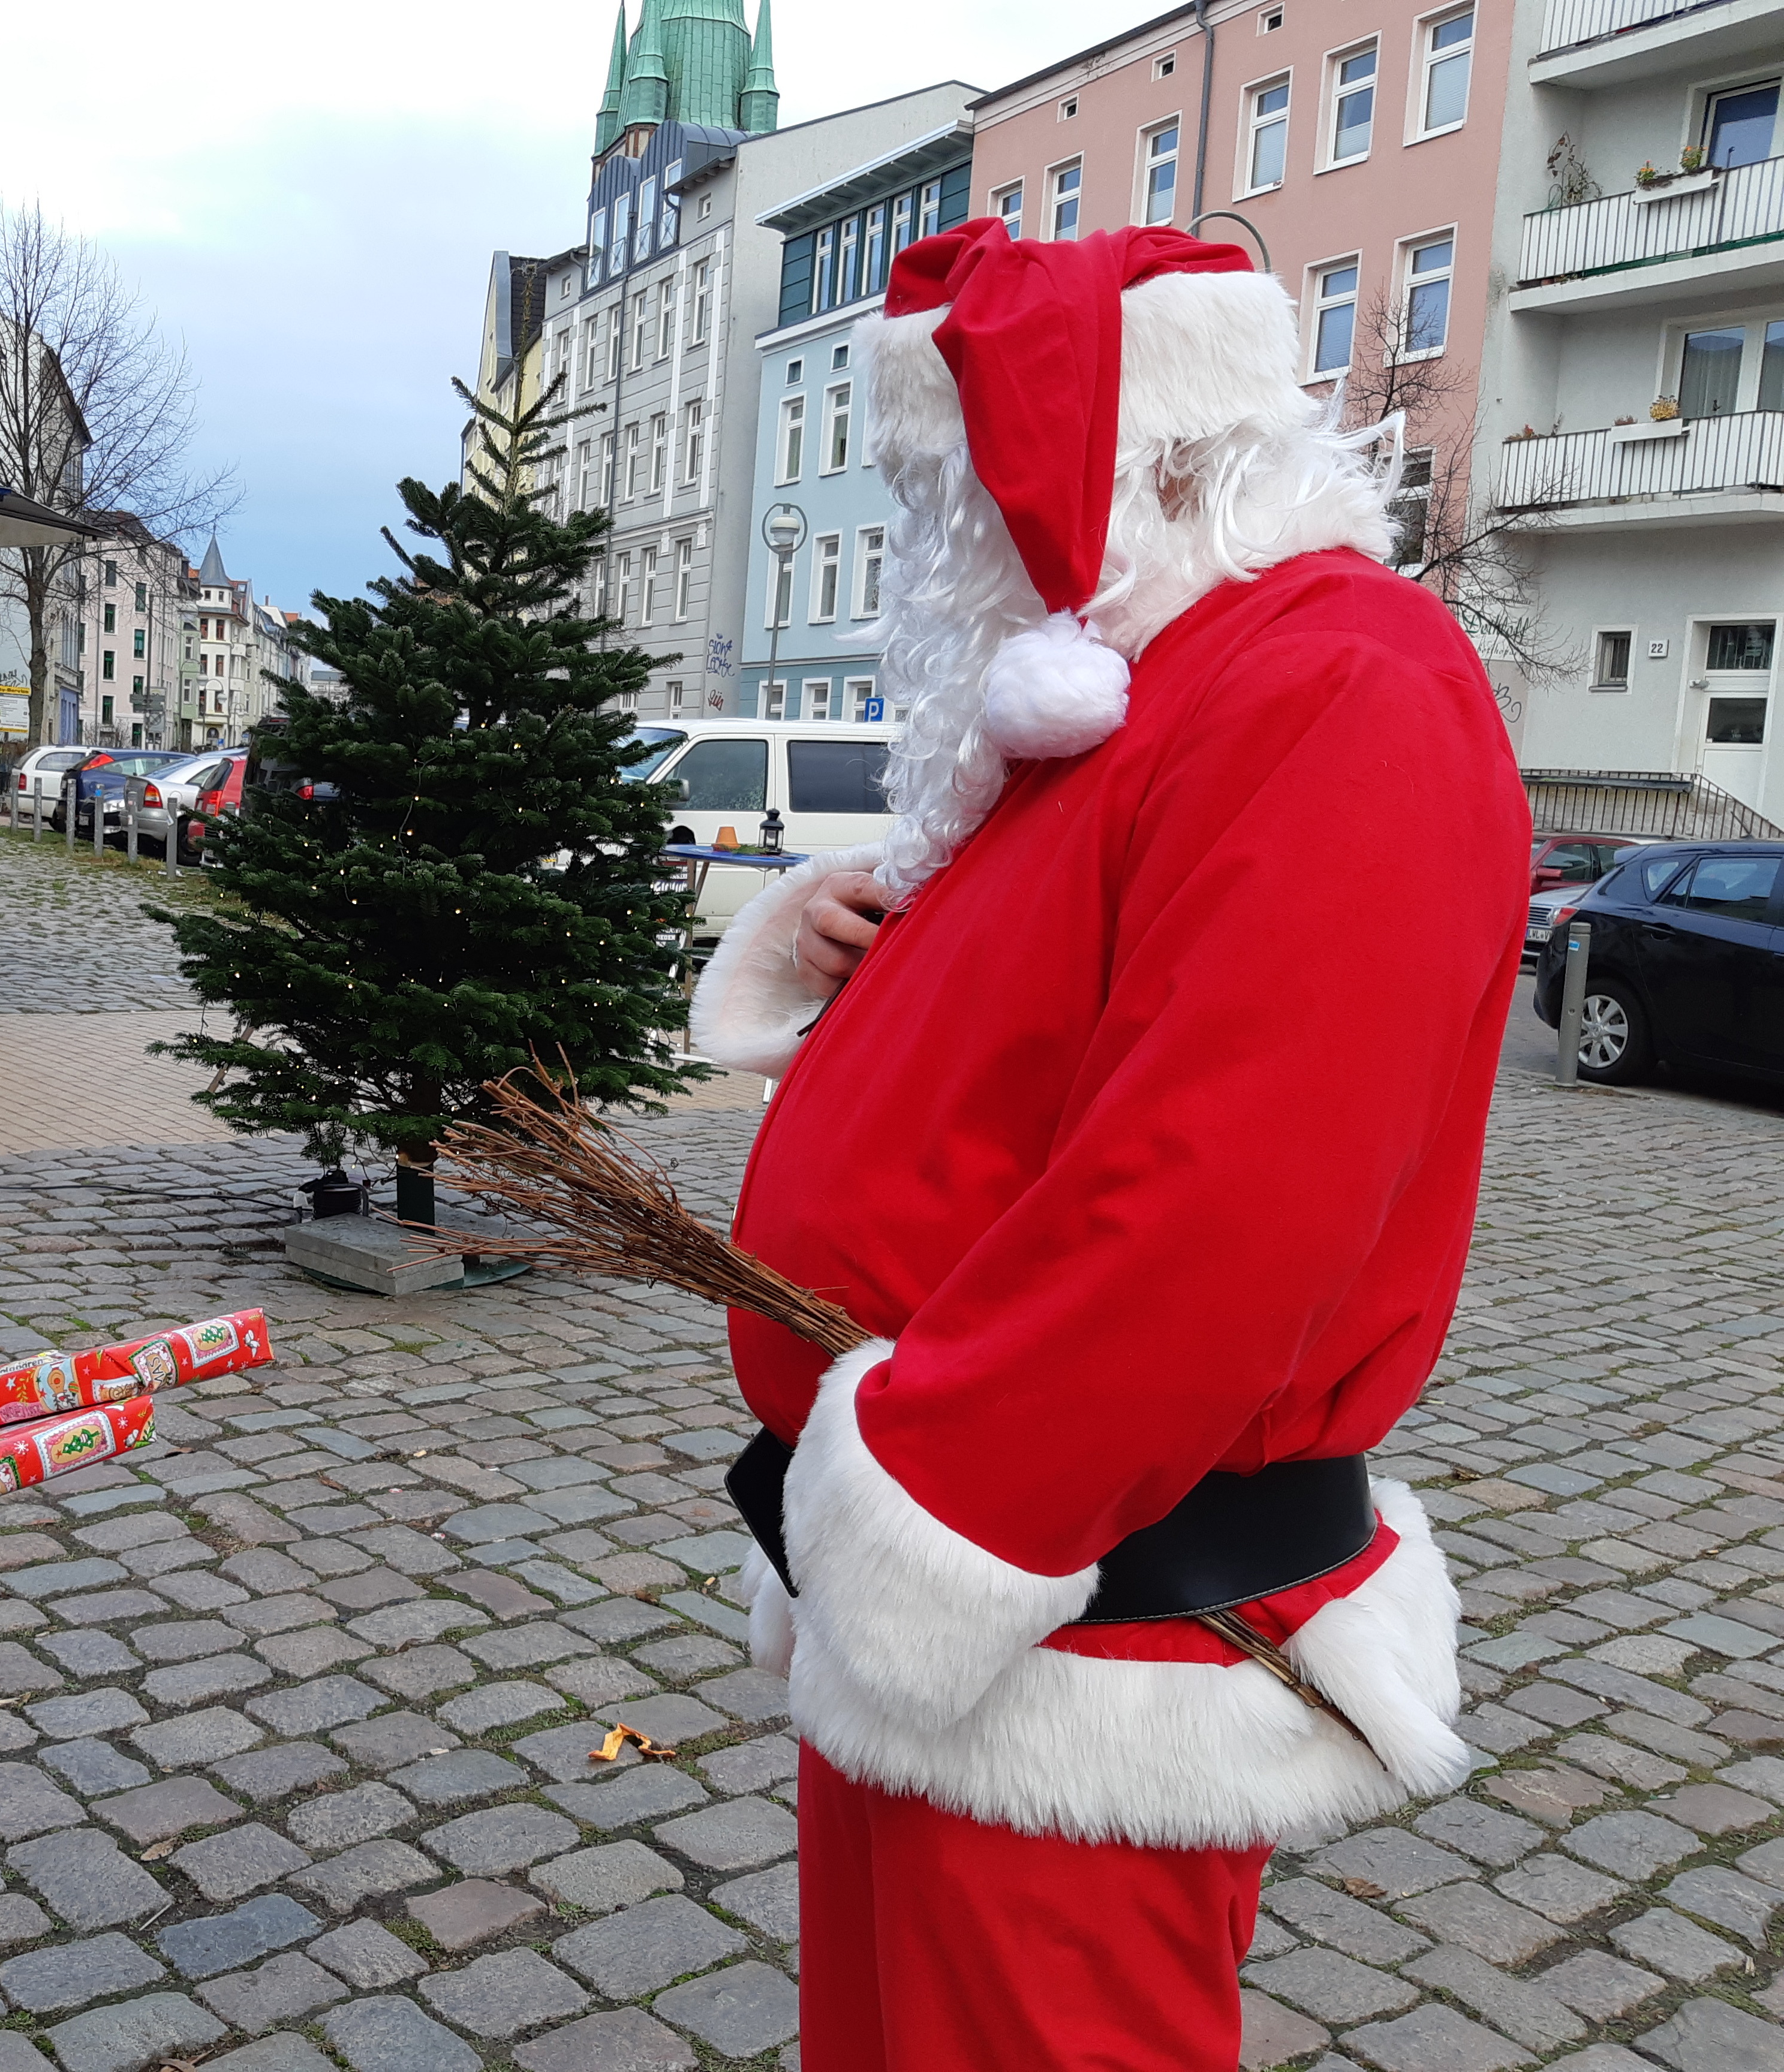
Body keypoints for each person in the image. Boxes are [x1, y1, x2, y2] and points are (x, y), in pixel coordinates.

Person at [689, 221, 1530, 2069]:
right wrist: (856, 952)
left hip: (1054, 1625)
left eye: (951, 501)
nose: (935, 551)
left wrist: (923, 1526)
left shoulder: (1337, 683)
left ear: (1120, 470)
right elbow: (1042, 1049)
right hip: (961, 1625)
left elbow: (1216, 1204)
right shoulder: (1140, 699)